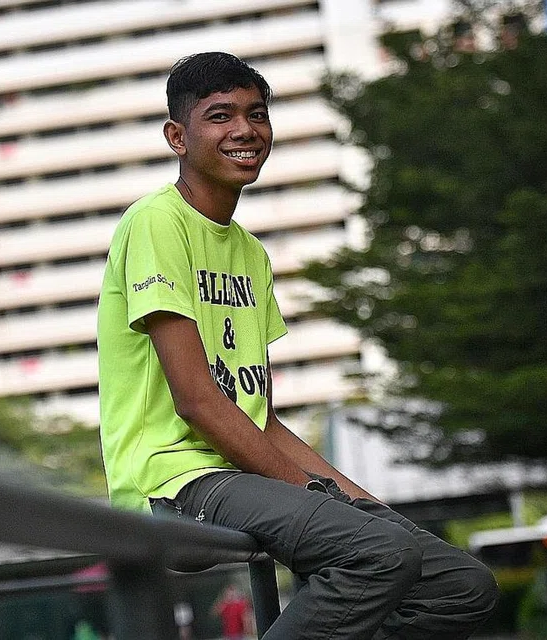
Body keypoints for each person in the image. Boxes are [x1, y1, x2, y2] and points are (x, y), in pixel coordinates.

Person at [97, 51, 499, 639]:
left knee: (462, 587)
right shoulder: (157, 222)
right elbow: (199, 402)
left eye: (257, 114)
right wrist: (320, 498)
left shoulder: (250, 254)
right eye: (220, 116)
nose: (245, 130)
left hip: (244, 470)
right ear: (177, 137)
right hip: (174, 479)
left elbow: (259, 416)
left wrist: (363, 504)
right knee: (379, 554)